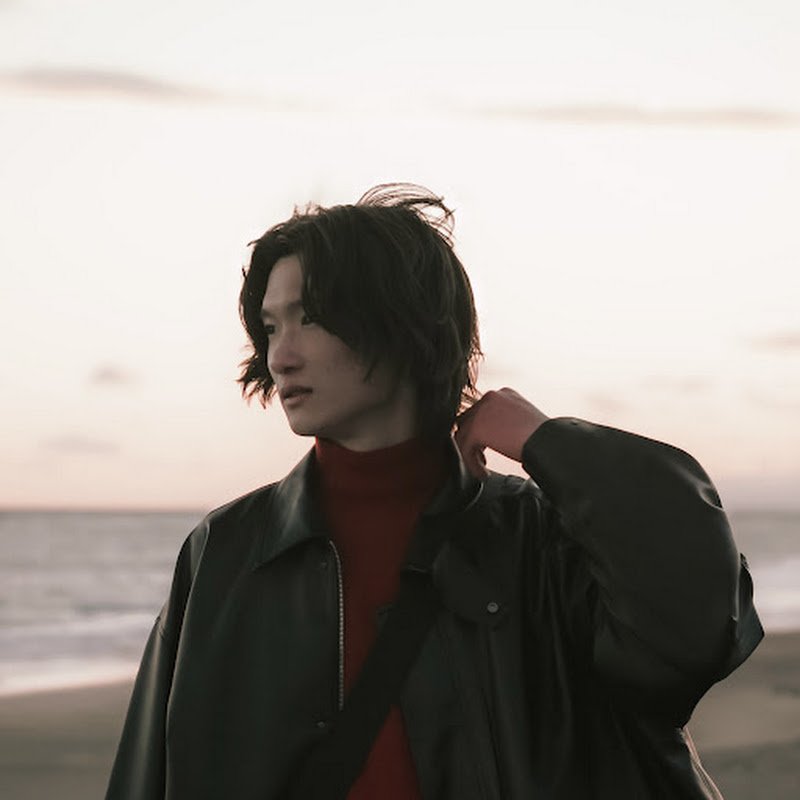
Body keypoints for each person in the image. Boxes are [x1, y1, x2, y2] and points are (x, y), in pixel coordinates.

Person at [105, 184, 762, 799]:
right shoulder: (228, 549)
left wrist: (547, 442)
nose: (281, 356)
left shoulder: (537, 539)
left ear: (400, 322)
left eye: (309, 319)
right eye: (271, 327)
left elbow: (694, 629)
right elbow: (150, 771)